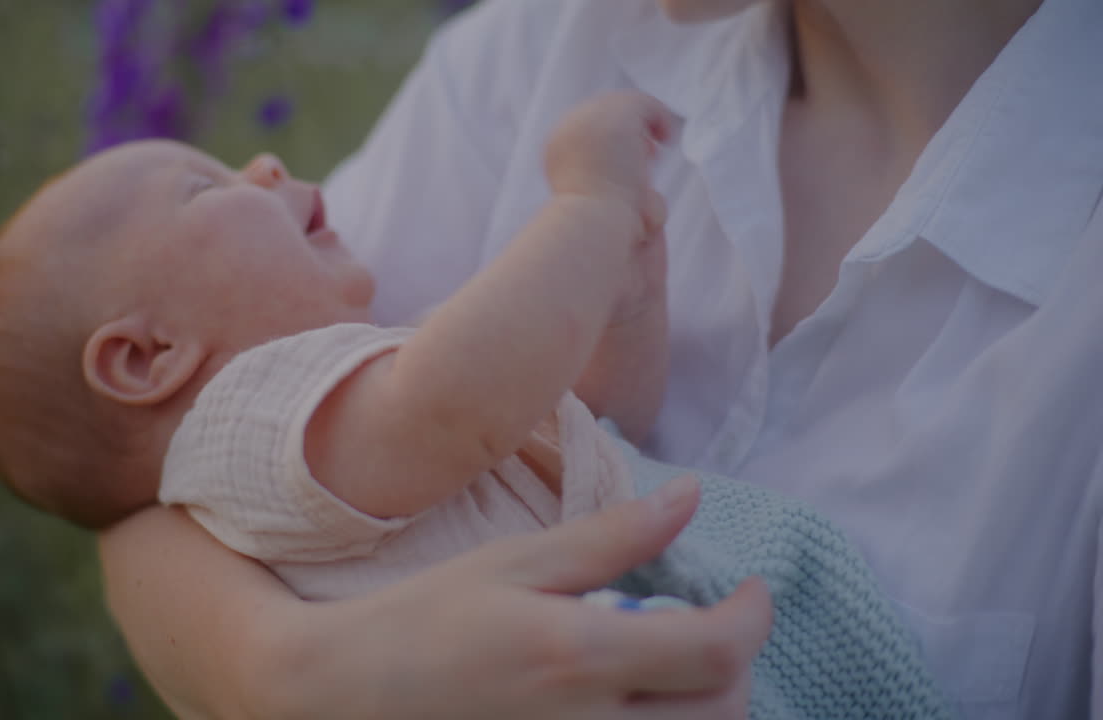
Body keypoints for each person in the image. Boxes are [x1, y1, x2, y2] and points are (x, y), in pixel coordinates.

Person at [99, 0, 1103, 717]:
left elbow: (565, 420)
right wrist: (295, 674)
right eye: (205, 187)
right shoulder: (538, 47)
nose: (262, 170)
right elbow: (148, 473)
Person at [0, 88, 950, 716]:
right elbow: (452, 401)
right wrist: (584, 209)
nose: (260, 166)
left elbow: (582, 432)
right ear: (146, 358)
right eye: (205, 191)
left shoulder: (325, 423)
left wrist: (621, 301)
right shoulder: (244, 430)